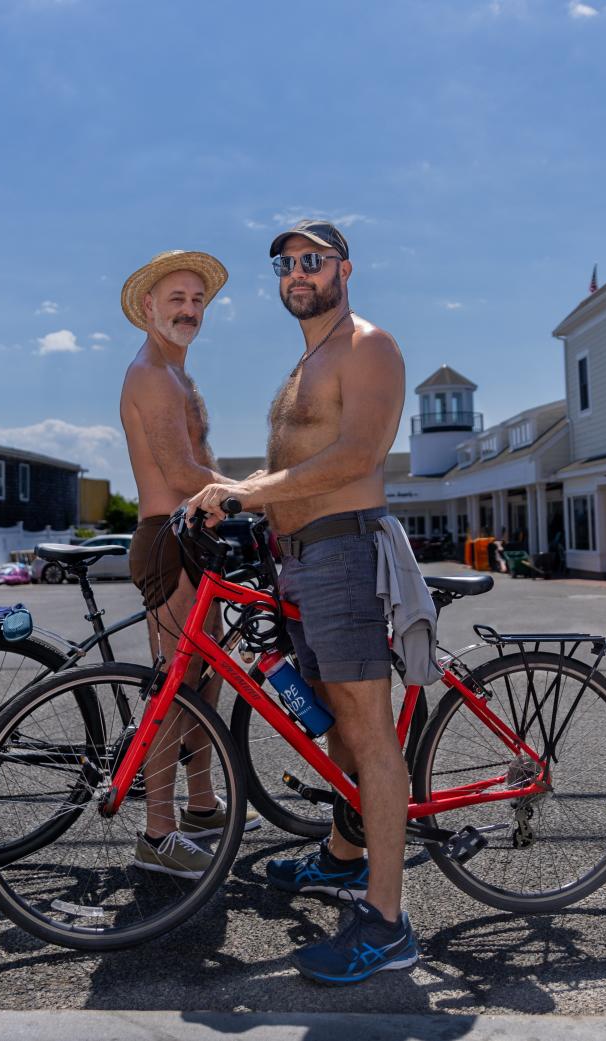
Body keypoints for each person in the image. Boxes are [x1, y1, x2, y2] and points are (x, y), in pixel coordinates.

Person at [188, 219, 418, 984]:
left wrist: (248, 491)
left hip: (344, 551)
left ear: (344, 268)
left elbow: (358, 454)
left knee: (367, 729)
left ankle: (387, 923)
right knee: (332, 723)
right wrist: (239, 501)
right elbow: (297, 461)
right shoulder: (307, 361)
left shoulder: (367, 345)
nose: (297, 272)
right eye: (286, 263)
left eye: (311, 260)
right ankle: (344, 856)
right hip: (300, 559)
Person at [119, 250, 261, 879]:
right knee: (174, 687)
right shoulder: (151, 373)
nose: (188, 311)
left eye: (197, 301)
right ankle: (158, 832)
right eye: (176, 299)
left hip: (197, 537)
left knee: (208, 681)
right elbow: (180, 474)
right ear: (148, 308)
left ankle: (202, 807)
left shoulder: (179, 374)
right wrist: (255, 490)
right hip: (168, 536)